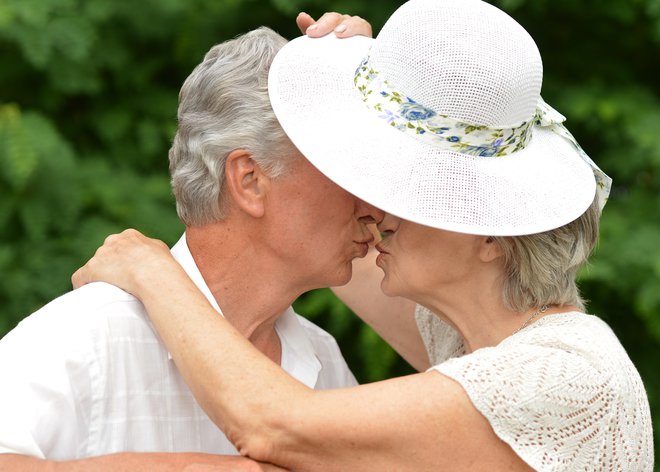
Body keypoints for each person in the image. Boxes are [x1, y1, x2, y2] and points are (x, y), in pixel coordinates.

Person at [72, 0, 654, 470]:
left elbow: (270, 424)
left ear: (490, 237)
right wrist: (342, 92)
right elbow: (309, 239)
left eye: (413, 191)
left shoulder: (562, 378)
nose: (375, 210)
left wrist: (150, 267)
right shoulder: (477, 336)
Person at [0, 18, 379, 471]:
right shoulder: (88, 334)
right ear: (250, 180)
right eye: (345, 171)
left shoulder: (323, 361)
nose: (373, 206)